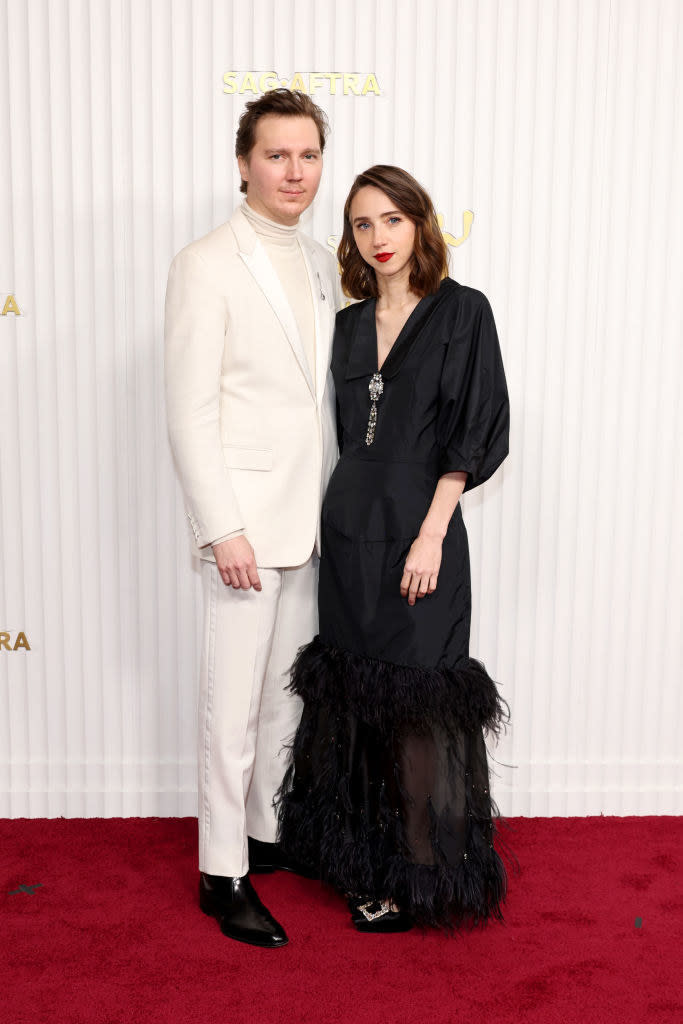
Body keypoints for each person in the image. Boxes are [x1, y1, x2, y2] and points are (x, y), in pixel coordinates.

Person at [277, 165, 510, 932]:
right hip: (348, 529)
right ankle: (362, 868)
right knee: (357, 707)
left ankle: (422, 868)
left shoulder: (461, 313)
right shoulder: (340, 326)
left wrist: (433, 534)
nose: (377, 238)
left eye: (392, 220)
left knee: (418, 706)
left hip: (421, 527)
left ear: (420, 224)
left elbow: (476, 432)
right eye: (361, 224)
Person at [164, 89, 339, 948]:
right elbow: (189, 411)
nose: (294, 172)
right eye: (277, 155)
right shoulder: (205, 262)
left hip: (309, 523)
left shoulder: (318, 260)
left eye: (308, 155)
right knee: (228, 710)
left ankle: (266, 838)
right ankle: (220, 871)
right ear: (243, 163)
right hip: (243, 527)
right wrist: (218, 525)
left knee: (280, 702)